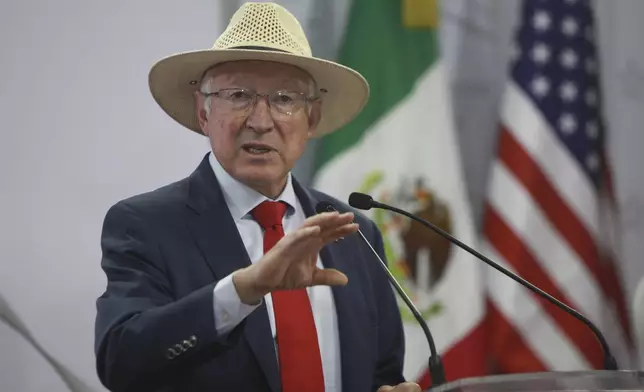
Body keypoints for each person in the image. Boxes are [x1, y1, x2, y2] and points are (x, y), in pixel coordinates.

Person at [94, 2, 420, 392]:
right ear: (203, 112)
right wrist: (241, 290)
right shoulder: (146, 224)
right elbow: (120, 362)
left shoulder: (356, 232)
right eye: (238, 96)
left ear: (311, 119)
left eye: (284, 99)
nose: (260, 121)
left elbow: (382, 372)